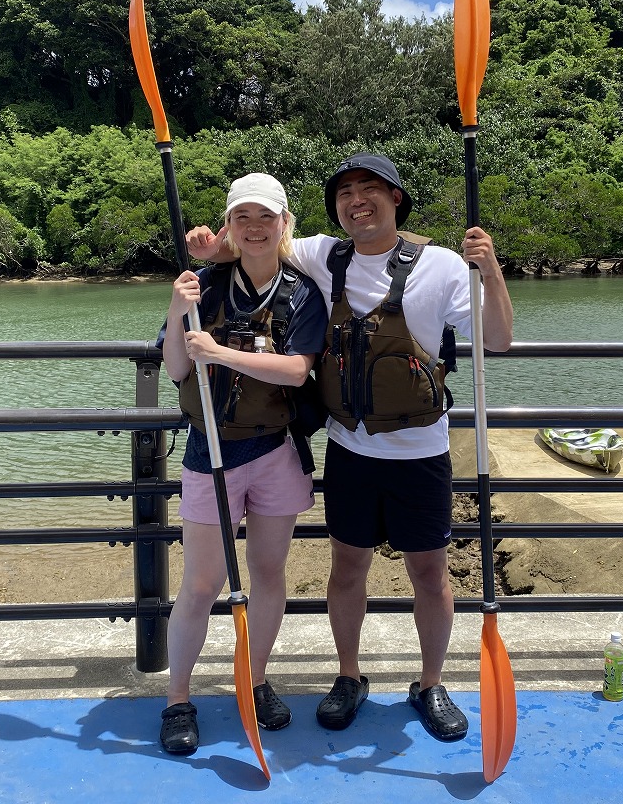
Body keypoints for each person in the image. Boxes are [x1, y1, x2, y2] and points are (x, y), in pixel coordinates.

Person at [187, 152, 513, 743]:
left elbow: (498, 340)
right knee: (346, 570)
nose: (357, 202)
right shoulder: (322, 255)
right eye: (345, 194)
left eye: (369, 190)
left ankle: (431, 683)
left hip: (421, 452)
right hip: (350, 449)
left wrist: (489, 269)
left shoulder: (442, 265)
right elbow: (260, 242)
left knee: (430, 574)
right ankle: (348, 675)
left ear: (396, 198)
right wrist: (214, 251)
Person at [156, 173, 328, 756]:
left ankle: (253, 681)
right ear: (229, 225)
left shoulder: (302, 293)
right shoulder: (203, 285)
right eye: (242, 218)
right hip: (210, 452)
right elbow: (176, 368)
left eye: (265, 217)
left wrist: (220, 352)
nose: (254, 228)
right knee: (202, 584)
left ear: (284, 224)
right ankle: (178, 698)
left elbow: (298, 370)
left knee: (268, 572)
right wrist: (177, 310)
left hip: (277, 450)